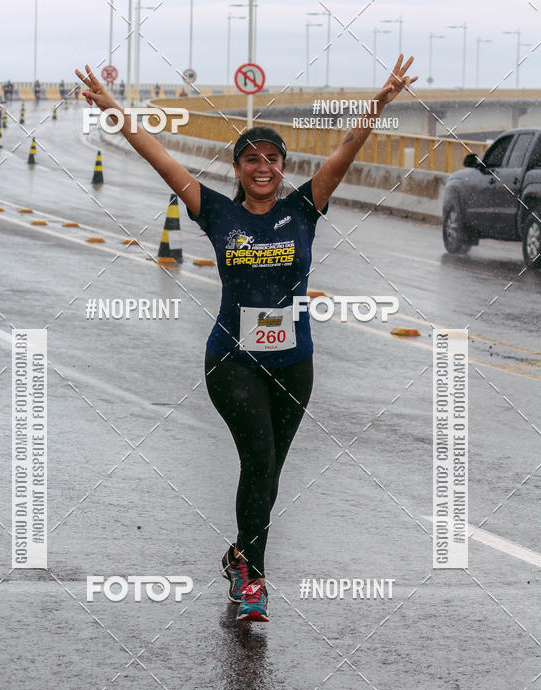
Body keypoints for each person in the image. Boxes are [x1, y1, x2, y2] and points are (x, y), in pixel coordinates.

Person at [75, 55, 417, 624]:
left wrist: (377, 104)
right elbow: (158, 157)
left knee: (270, 471)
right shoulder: (216, 213)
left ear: (283, 167)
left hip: (294, 364)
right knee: (258, 459)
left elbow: (346, 149)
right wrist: (114, 109)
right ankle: (253, 581)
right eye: (252, 159)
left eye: (272, 159)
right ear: (236, 168)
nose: (263, 168)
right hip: (232, 361)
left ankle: (240, 555)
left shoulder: (304, 209)